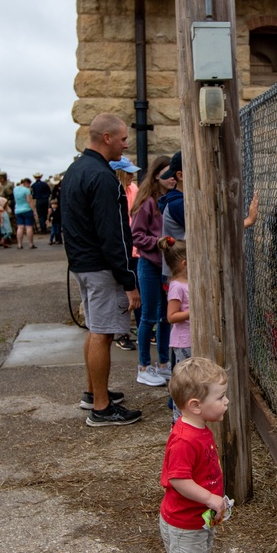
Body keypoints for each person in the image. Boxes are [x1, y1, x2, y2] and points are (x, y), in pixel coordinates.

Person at [62, 112, 144, 427]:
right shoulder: (101, 176)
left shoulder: (75, 170)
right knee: (103, 332)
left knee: (97, 329)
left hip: (83, 263)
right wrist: (128, 279)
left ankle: (93, 392)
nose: (126, 145)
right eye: (123, 139)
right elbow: (113, 234)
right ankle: (101, 407)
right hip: (100, 266)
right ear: (107, 138)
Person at [159, 356, 230, 553]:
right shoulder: (185, 439)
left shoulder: (198, 428)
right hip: (184, 521)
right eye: (221, 397)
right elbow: (178, 479)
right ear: (196, 406)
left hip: (196, 518)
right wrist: (211, 498)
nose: (225, 402)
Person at [132, 155, 175, 385]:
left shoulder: (171, 199)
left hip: (168, 266)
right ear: (157, 175)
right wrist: (158, 242)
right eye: (167, 173)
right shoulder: (147, 201)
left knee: (166, 317)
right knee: (148, 316)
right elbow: (136, 236)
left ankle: (163, 364)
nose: (172, 178)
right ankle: (143, 366)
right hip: (149, 264)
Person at [112, 157, 142, 350]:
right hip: (121, 249)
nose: (132, 175)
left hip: (136, 249)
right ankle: (121, 333)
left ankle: (142, 330)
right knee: (120, 293)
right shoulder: (112, 190)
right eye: (128, 172)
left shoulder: (134, 189)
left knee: (139, 291)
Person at [160, 236, 190, 421]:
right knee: (185, 383)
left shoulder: (188, 283)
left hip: (191, 340)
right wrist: (193, 312)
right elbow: (171, 316)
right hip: (183, 342)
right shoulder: (177, 286)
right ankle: (178, 421)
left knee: (192, 382)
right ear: (185, 263)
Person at [12, 177, 37, 249]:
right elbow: (29, 201)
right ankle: (31, 244)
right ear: (26, 183)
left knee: (20, 227)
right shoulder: (26, 190)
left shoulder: (15, 189)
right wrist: (34, 210)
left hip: (18, 209)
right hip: (27, 209)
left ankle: (19, 244)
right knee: (29, 227)